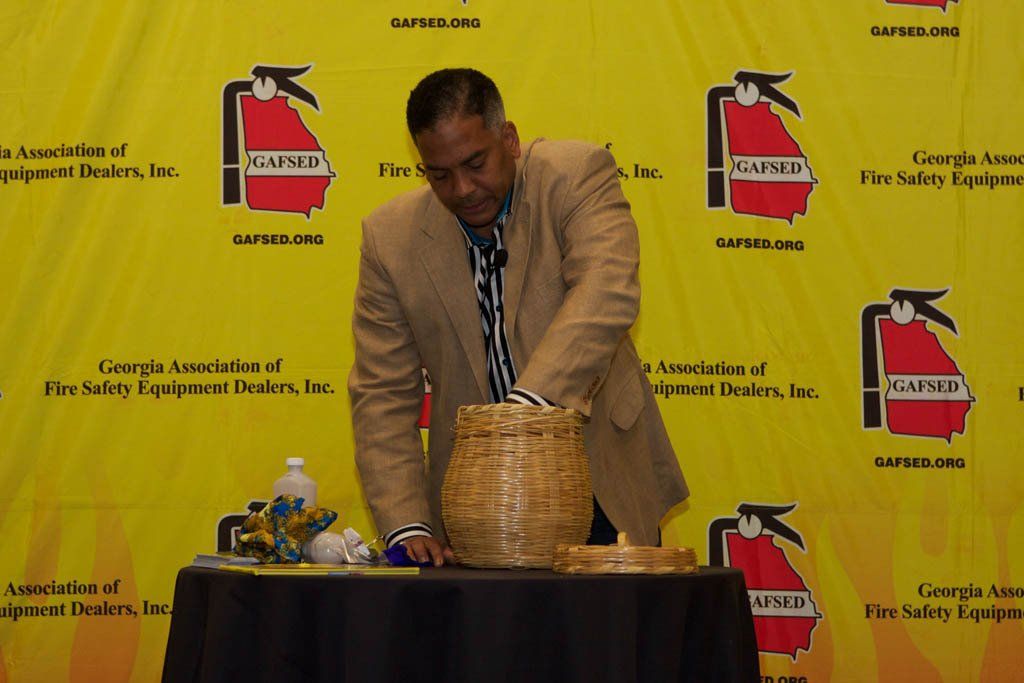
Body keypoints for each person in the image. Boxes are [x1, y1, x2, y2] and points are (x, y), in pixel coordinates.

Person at [349, 68, 688, 566]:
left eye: (475, 163)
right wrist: (407, 523)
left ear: (509, 139)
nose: (463, 189)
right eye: (439, 175)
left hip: (599, 476)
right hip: (471, 504)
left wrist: (523, 412)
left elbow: (606, 291)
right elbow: (382, 392)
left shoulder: (575, 175)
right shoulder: (389, 238)